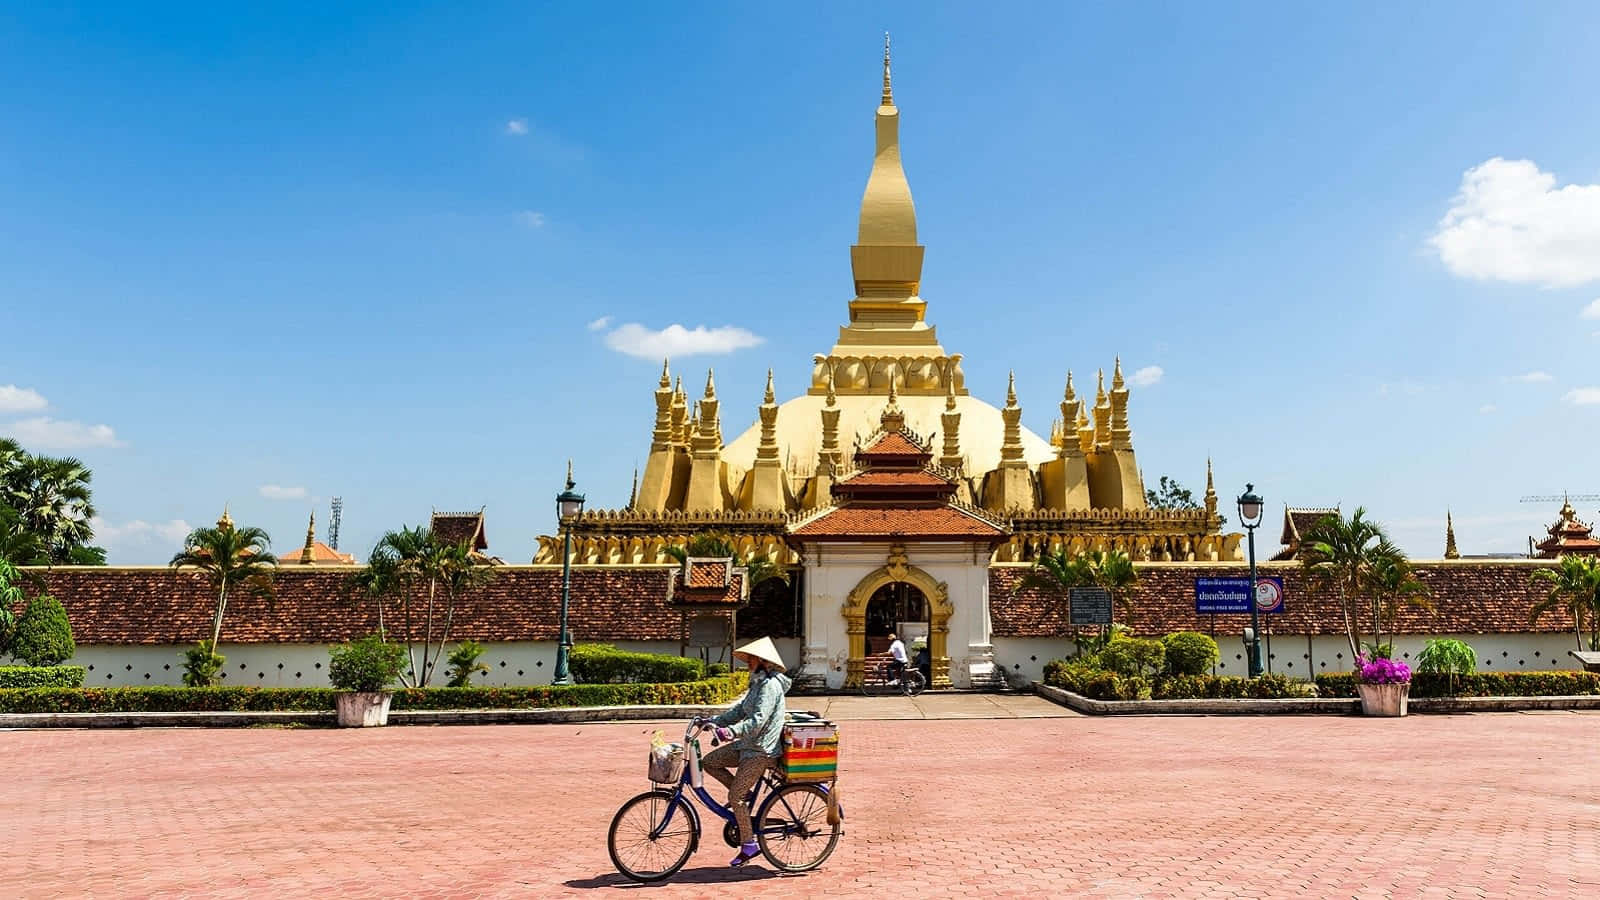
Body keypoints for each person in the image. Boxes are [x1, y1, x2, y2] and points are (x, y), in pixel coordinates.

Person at [702, 636, 791, 867]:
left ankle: (749, 844)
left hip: (761, 750)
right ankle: (746, 793)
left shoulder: (770, 686)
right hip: (746, 745)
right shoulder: (758, 684)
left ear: (762, 660)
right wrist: (714, 722)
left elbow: (758, 720)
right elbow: (740, 710)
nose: (748, 662)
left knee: (735, 798)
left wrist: (730, 732)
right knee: (710, 762)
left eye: (751, 658)